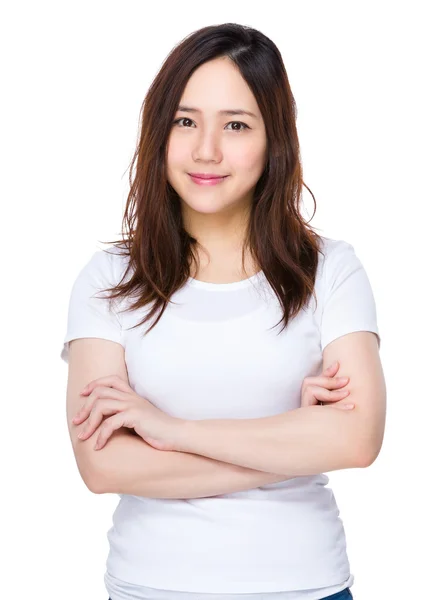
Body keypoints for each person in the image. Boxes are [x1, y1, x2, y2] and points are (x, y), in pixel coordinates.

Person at [61, 23, 385, 600]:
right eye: (185, 121)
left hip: (306, 587)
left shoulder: (330, 270)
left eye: (236, 125)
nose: (206, 150)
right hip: (151, 588)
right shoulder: (110, 278)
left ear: (273, 139)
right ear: (159, 132)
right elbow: (103, 467)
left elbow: (357, 440)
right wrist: (294, 442)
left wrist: (170, 431)